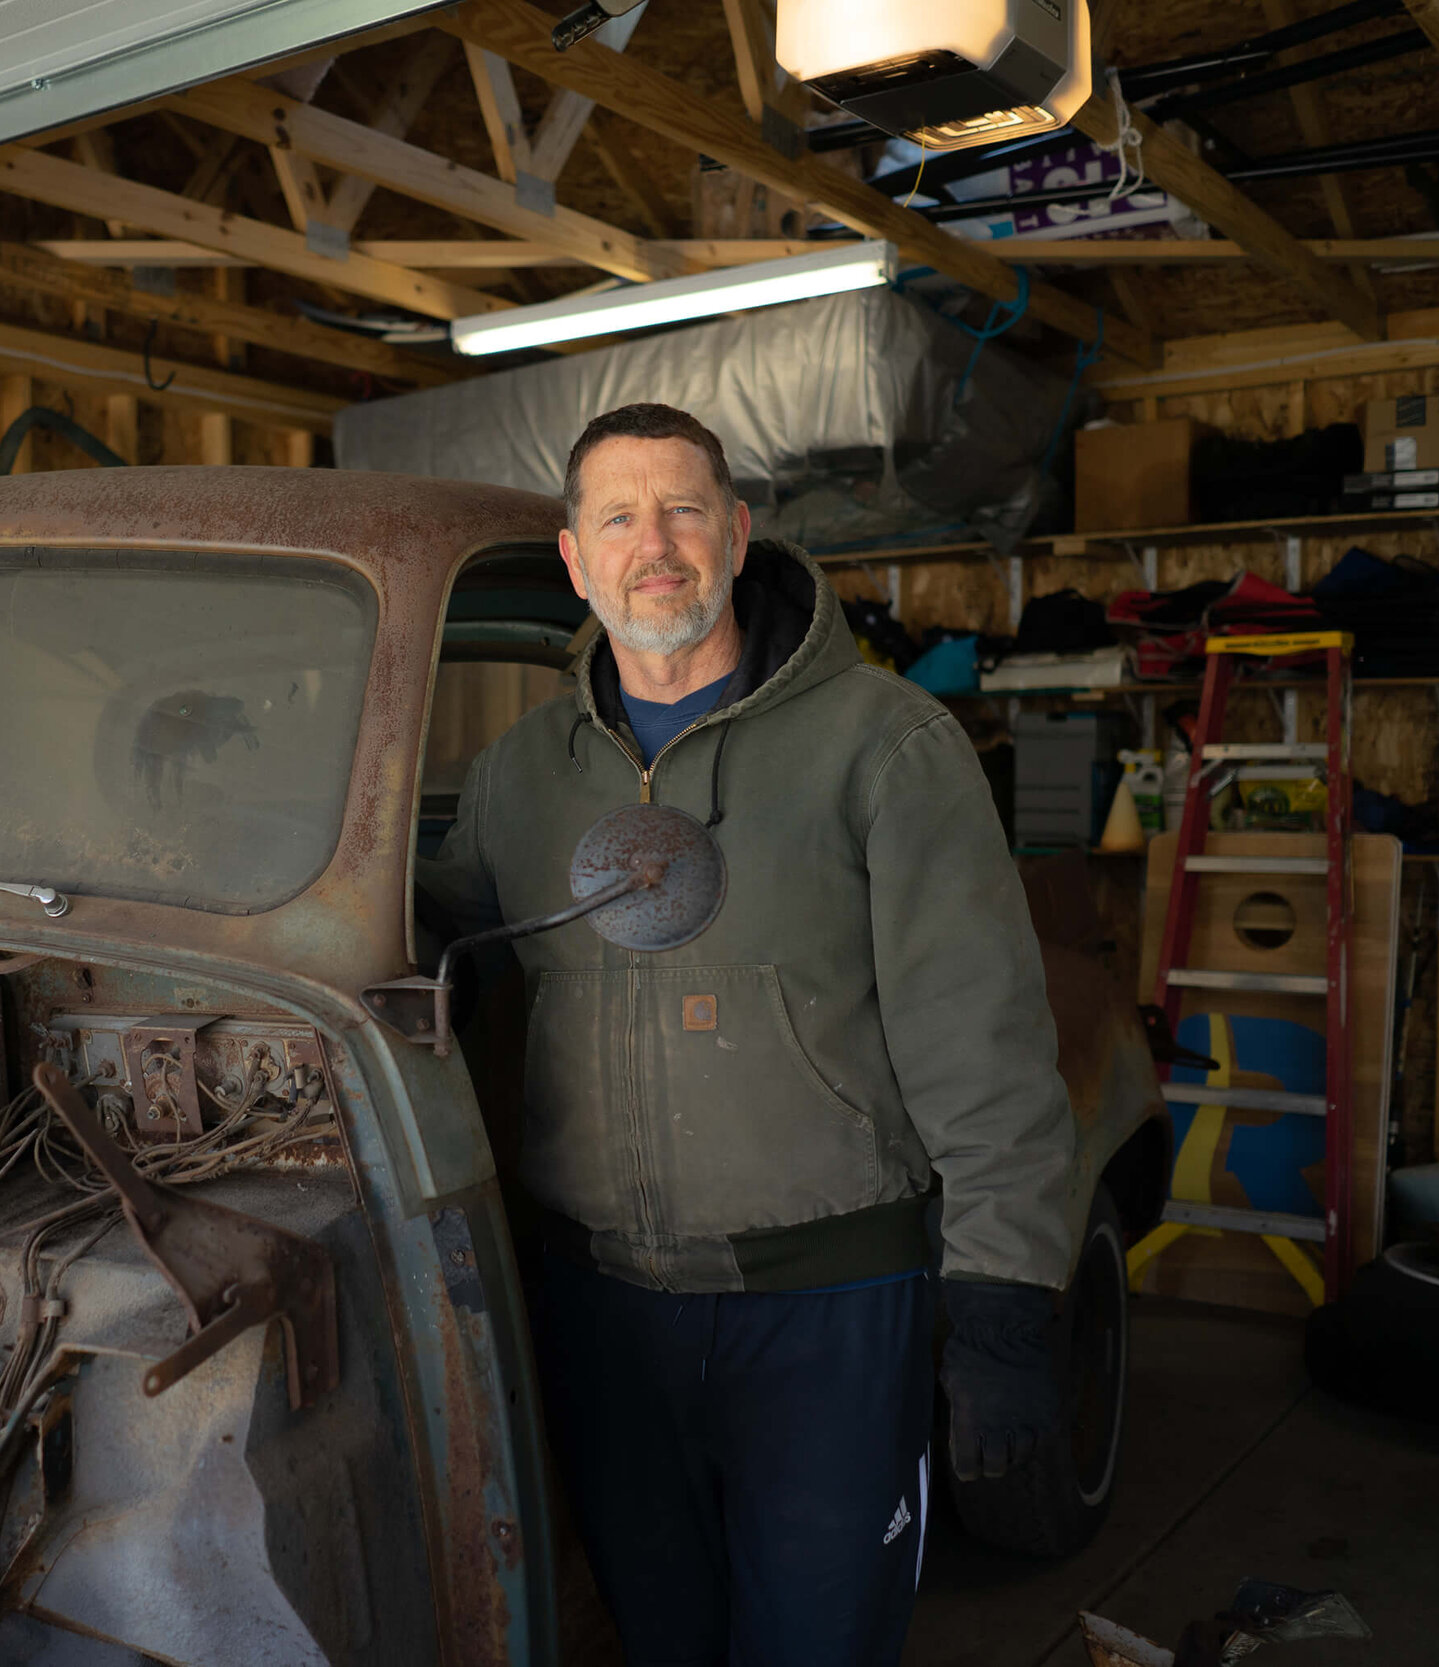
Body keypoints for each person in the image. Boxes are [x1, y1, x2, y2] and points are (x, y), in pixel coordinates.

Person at [418, 403, 1079, 1666]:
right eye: (617, 516)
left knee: (816, 1645)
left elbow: (980, 1039)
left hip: (824, 1305)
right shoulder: (519, 775)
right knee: (657, 1634)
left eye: (680, 509)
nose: (651, 544)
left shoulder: (882, 744)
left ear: (735, 529)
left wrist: (1003, 1305)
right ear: (574, 557)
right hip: (604, 1307)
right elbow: (440, 953)